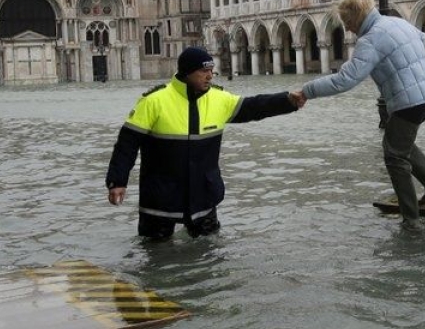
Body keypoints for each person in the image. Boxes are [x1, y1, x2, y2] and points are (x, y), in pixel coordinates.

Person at [106, 46, 304, 240]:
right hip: (161, 198)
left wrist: (287, 101)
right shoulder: (153, 101)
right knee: (155, 257)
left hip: (204, 196)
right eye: (204, 71)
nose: (210, 76)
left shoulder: (219, 99)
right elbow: (127, 144)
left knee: (209, 255)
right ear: (187, 72)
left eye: (211, 70)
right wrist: (117, 181)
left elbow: (255, 106)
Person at [293, 0, 425, 224]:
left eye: (347, 23)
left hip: (411, 101)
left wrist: (307, 90)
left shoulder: (371, 39)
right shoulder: (397, 22)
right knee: (399, 141)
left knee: (394, 155)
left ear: (355, 19)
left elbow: (345, 80)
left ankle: (411, 219)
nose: (348, 29)